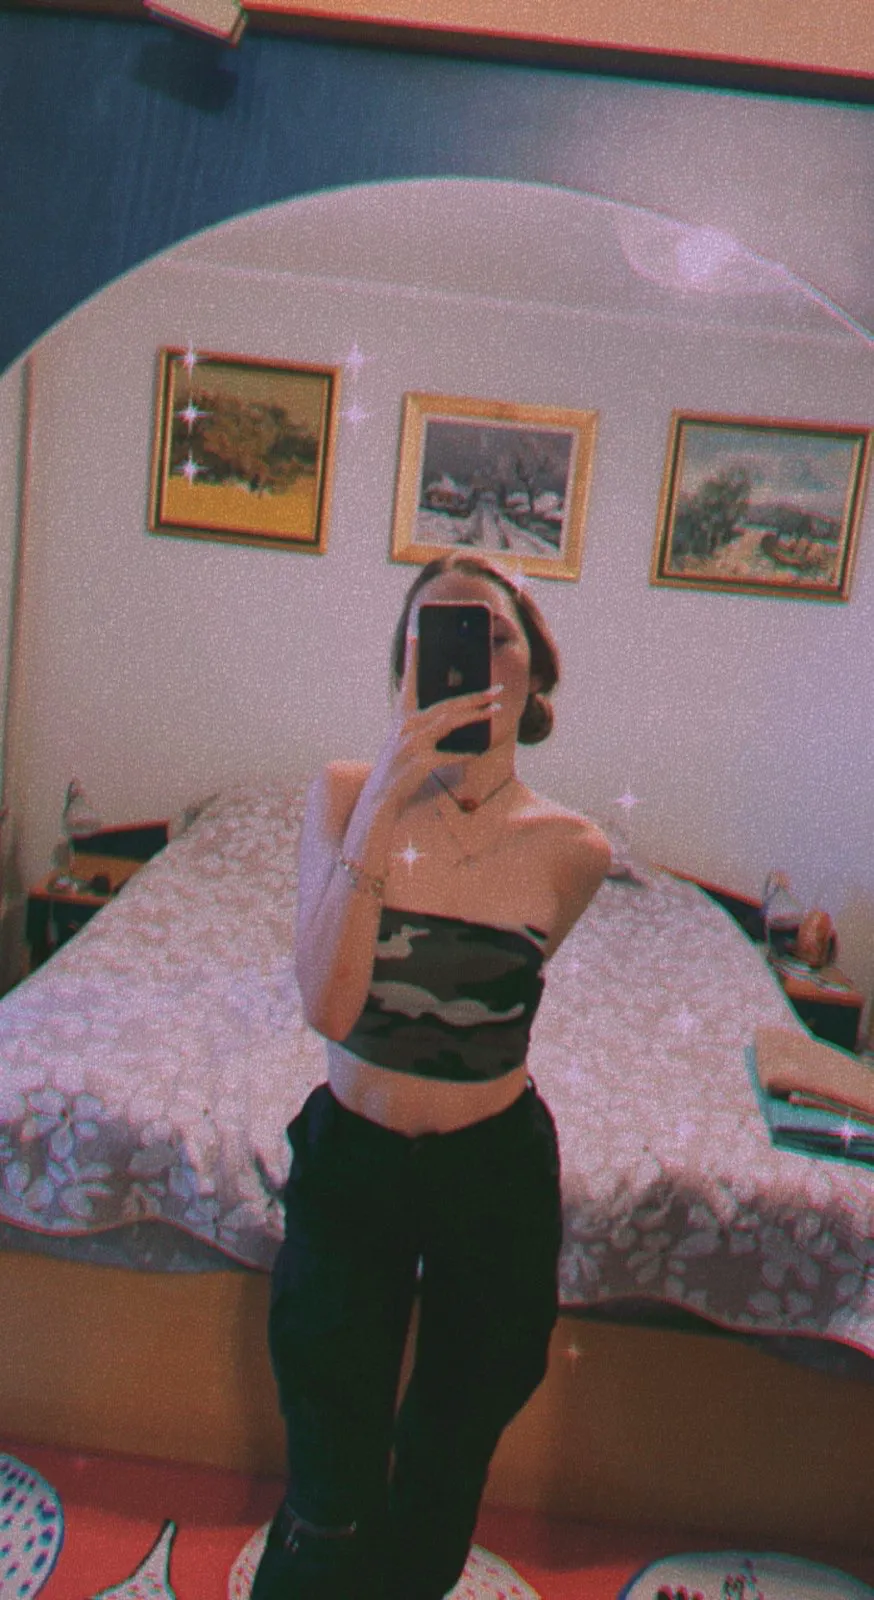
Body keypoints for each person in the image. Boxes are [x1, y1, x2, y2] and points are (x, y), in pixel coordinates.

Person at [252, 552, 610, 1600]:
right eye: (441, 632)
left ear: (534, 676)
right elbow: (328, 1004)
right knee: (327, 1470)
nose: (473, 656)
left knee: (449, 1458)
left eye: (496, 634)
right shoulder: (344, 794)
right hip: (354, 1164)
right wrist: (384, 799)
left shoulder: (574, 850)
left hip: (490, 1173)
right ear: (404, 667)